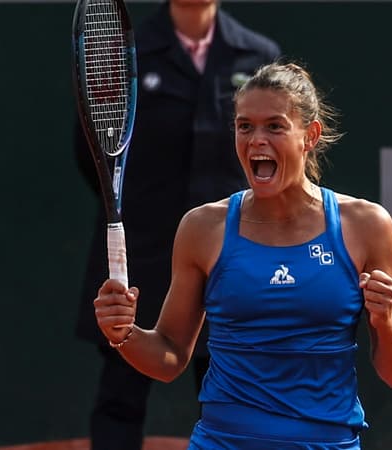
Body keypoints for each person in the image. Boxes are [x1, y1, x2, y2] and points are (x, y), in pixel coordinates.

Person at [93, 62, 392, 449]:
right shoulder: (202, 228)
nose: (256, 140)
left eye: (275, 126)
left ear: (310, 136)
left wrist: (384, 320)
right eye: (244, 126)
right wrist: (124, 335)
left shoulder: (366, 225)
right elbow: (170, 356)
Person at [74, 1, 280, 448]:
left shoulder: (259, 54)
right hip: (143, 259)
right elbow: (93, 151)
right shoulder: (127, 53)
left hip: (228, 261)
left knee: (231, 403)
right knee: (120, 398)